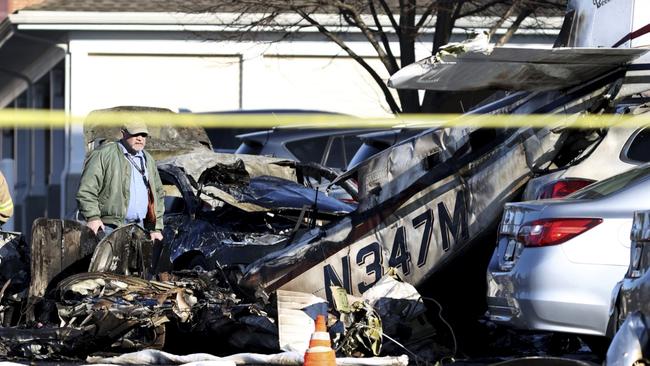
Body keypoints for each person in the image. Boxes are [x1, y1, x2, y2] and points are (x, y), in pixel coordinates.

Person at [76, 118, 164, 241]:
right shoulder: (103, 154)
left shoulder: (148, 159)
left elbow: (158, 195)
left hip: (140, 228)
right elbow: (86, 190)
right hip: (109, 228)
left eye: (143, 135)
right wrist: (93, 217)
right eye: (135, 134)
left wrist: (156, 228)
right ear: (123, 133)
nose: (140, 138)